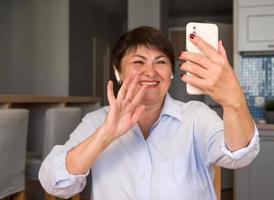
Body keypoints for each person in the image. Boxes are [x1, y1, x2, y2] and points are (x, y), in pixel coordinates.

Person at [39, 26, 259, 200]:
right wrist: (105, 135)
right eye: (138, 62)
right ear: (118, 72)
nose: (151, 72)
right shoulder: (96, 121)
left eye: (161, 62)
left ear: (172, 73)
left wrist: (234, 102)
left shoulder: (195, 116)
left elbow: (239, 155)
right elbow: (55, 183)